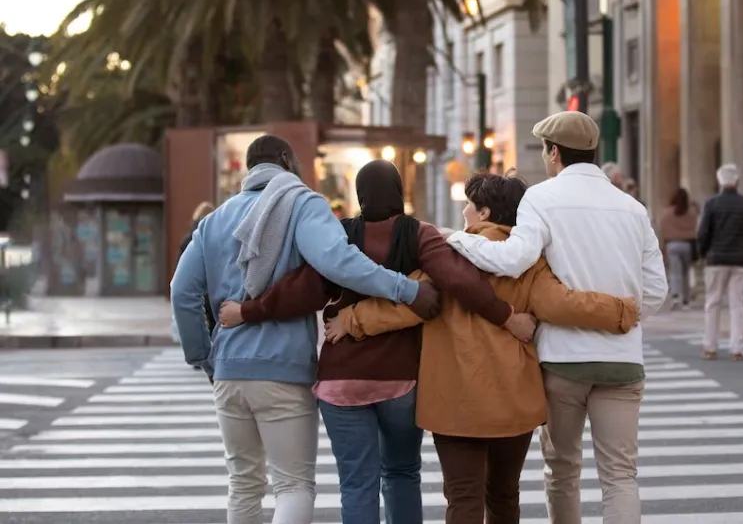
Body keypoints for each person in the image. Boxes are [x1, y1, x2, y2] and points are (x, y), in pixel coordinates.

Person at [216, 159, 534, 524]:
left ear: (360, 196)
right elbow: (458, 282)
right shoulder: (420, 234)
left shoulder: (340, 234)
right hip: (400, 379)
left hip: (341, 380)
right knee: (401, 473)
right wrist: (506, 316)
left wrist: (247, 311)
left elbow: (301, 290)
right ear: (399, 192)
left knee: (356, 483)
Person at [322, 170, 641, 524]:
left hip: (455, 403)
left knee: (462, 498)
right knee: (504, 495)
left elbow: (407, 305)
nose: (464, 213)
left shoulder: (449, 255)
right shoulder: (530, 265)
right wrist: (622, 310)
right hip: (513, 400)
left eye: (470, 205)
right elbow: (562, 303)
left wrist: (349, 319)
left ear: (485, 212)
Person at [170, 136, 440, 524]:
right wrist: (405, 289)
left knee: (243, 485)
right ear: (284, 159)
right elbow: (338, 261)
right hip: (283, 370)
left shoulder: (215, 219)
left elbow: (182, 291)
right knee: (293, 486)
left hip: (229, 372)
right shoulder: (301, 203)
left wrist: (204, 358)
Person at [445, 111, 668, 524]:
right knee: (620, 476)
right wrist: (624, 319)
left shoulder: (541, 199)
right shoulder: (632, 208)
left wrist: (457, 240)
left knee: (563, 469)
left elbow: (513, 260)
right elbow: (656, 289)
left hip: (564, 358)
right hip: (623, 361)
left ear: (553, 152)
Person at [696, 164, 743, 361]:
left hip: (716, 258)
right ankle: (736, 347)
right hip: (740, 259)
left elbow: (703, 233)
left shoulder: (711, 204)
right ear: (737, 181)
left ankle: (710, 346)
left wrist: (704, 252)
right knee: (737, 304)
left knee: (713, 303)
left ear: (720, 181)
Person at [172, 202, 216, 363]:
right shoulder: (214, 234)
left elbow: (179, 279)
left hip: (194, 283)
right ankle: (212, 353)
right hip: (211, 286)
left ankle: (199, 356)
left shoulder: (188, 238)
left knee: (197, 316)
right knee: (213, 322)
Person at [659, 188, 699, 309]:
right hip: (687, 244)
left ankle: (676, 297)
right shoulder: (692, 212)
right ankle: (686, 299)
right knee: (685, 273)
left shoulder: (667, 213)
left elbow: (663, 229)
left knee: (674, 272)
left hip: (672, 244)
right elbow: (695, 227)